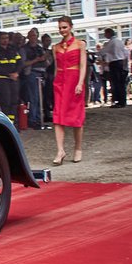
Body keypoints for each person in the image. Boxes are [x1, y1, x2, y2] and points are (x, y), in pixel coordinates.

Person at [51, 16, 87, 165]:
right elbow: (55, 68)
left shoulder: (80, 44)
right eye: (60, 28)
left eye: (64, 27)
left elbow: (83, 65)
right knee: (58, 118)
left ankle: (78, 148)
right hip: (60, 82)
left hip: (74, 82)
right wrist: (54, 82)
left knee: (76, 117)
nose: (62, 30)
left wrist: (80, 83)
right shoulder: (55, 47)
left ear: (71, 27)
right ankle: (60, 151)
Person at [100, 28, 129, 108]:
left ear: (109, 33)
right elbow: (125, 53)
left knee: (116, 83)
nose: (104, 35)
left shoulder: (111, 42)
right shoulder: (119, 41)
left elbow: (103, 51)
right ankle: (122, 101)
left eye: (105, 33)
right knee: (121, 83)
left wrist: (94, 53)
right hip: (120, 62)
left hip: (115, 63)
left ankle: (119, 102)